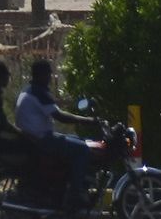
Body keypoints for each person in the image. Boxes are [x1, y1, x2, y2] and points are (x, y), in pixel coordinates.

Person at [14, 59, 98, 209]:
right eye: (48, 74)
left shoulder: (29, 89)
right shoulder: (39, 92)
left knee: (79, 140)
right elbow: (60, 117)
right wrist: (89, 121)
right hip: (42, 140)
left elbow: (54, 109)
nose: (50, 77)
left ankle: (65, 185)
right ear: (40, 74)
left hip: (33, 137)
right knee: (83, 149)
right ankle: (75, 193)